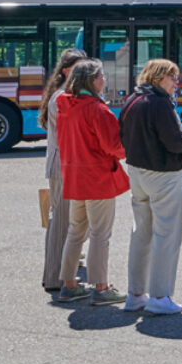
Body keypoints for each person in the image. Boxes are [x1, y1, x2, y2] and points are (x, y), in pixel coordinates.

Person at [53, 59, 131, 305]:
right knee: (100, 234)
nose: (104, 80)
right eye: (101, 76)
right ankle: (101, 287)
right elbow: (114, 147)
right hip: (97, 177)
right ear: (91, 79)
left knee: (76, 231)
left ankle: (68, 284)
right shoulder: (98, 110)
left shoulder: (64, 104)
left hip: (74, 176)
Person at [120, 58, 182, 315]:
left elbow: (122, 136)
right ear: (159, 77)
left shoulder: (133, 100)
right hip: (162, 174)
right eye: (173, 78)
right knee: (167, 236)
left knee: (141, 234)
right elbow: (174, 142)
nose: (176, 83)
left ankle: (135, 294)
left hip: (137, 172)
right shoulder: (160, 103)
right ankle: (160, 296)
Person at [40, 48, 88, 293]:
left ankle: (57, 274)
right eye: (80, 68)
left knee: (64, 220)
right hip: (63, 165)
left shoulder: (62, 94)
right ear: (67, 70)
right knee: (61, 222)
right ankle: (55, 278)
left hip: (62, 164)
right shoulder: (61, 97)